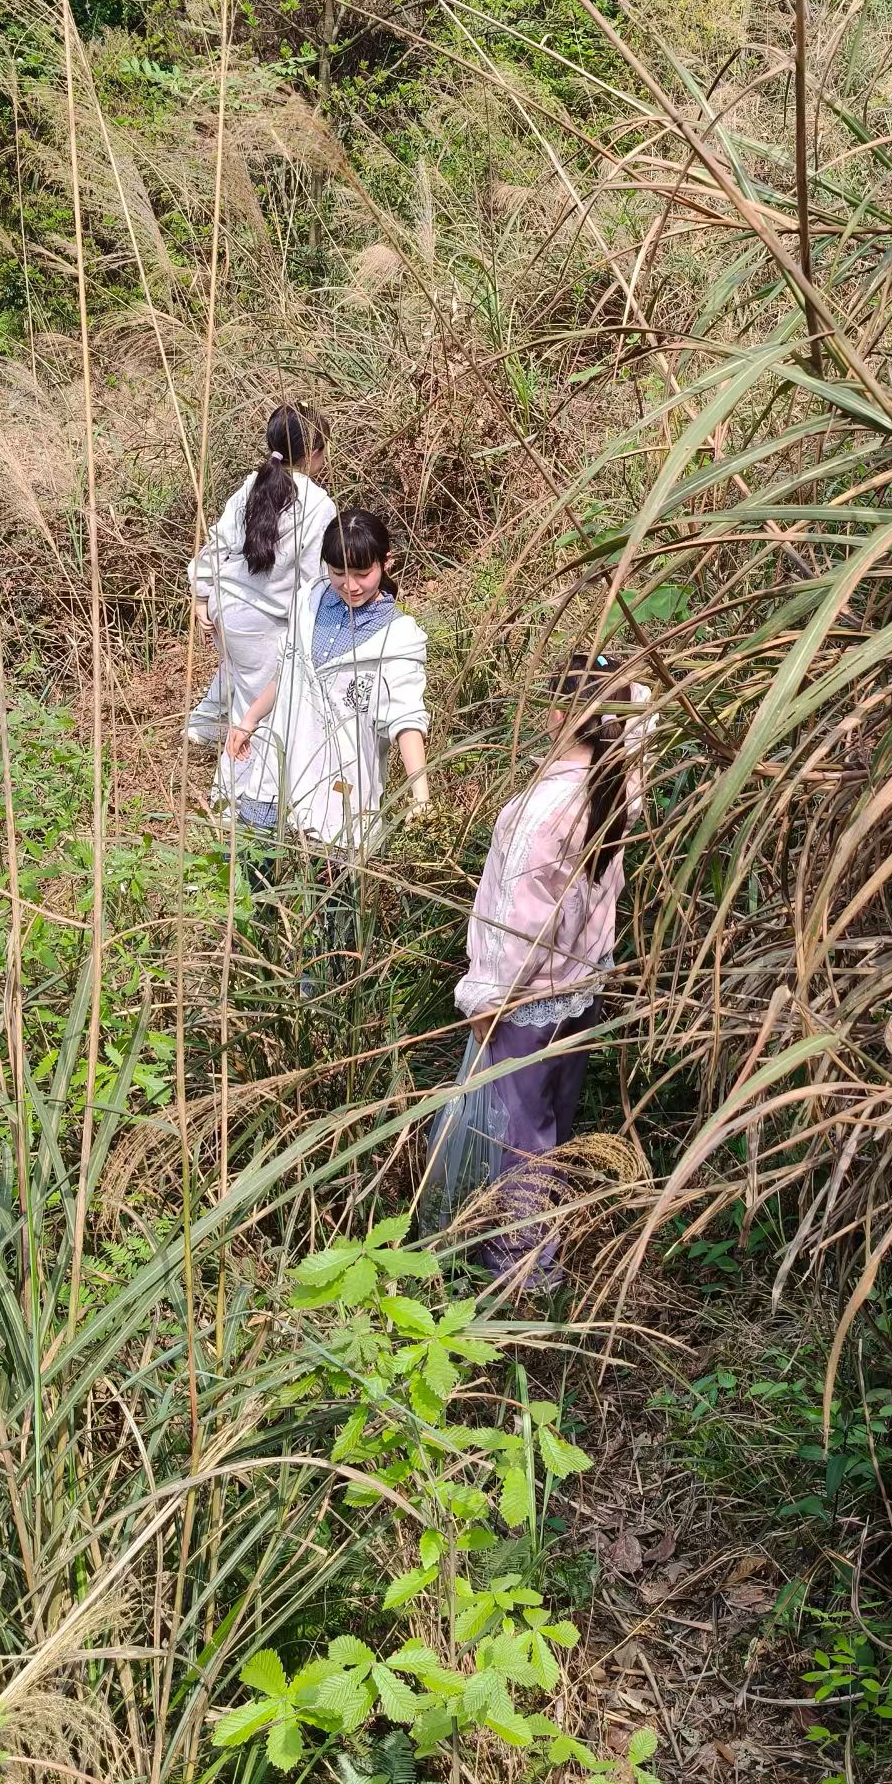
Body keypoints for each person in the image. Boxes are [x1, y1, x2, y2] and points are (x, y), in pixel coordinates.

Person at [421, 652, 653, 1279]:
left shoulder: (540, 811)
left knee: (516, 1134)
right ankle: (536, 1248)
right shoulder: (618, 786)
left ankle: (520, 1264)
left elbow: (516, 920)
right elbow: (642, 723)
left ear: (556, 715)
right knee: (551, 1121)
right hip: (580, 988)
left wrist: (486, 999)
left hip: (525, 999)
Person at [223, 509, 431, 850]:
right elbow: (288, 673)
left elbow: (406, 720)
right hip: (281, 764)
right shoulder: (310, 599)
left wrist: (420, 796)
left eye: (363, 574)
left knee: (329, 875)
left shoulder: (399, 637)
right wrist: (249, 720)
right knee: (256, 865)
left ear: (386, 563)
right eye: (338, 573)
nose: (350, 586)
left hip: (341, 783)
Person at [186, 405, 336, 764]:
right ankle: (241, 784)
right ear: (314, 452)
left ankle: (203, 726)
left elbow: (218, 543)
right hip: (264, 622)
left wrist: (201, 594)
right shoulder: (317, 504)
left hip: (226, 606)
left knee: (238, 668)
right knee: (261, 713)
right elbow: (314, 578)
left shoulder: (251, 485)